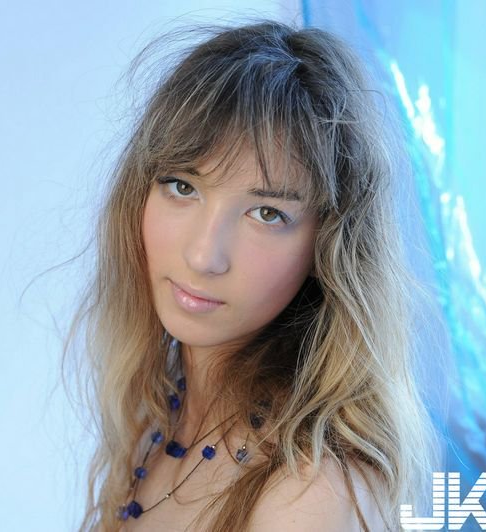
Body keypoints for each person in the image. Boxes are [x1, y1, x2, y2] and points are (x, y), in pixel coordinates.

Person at [63, 17, 440, 531]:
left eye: (267, 213)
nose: (204, 256)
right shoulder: (157, 425)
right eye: (182, 186)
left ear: (327, 246)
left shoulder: (309, 493)